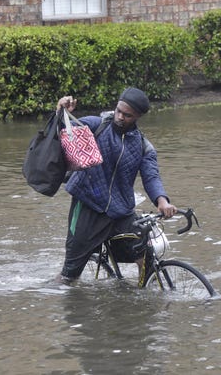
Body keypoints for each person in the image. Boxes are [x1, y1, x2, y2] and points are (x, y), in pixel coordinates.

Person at [56, 87, 177, 285]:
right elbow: (64, 129)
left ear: (138, 116)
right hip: (89, 206)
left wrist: (162, 201)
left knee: (145, 253)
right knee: (69, 276)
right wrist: (62, 112)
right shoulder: (97, 126)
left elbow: (151, 177)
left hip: (121, 211)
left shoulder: (143, 146)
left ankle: (144, 297)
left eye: (127, 115)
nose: (120, 117)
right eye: (118, 110)